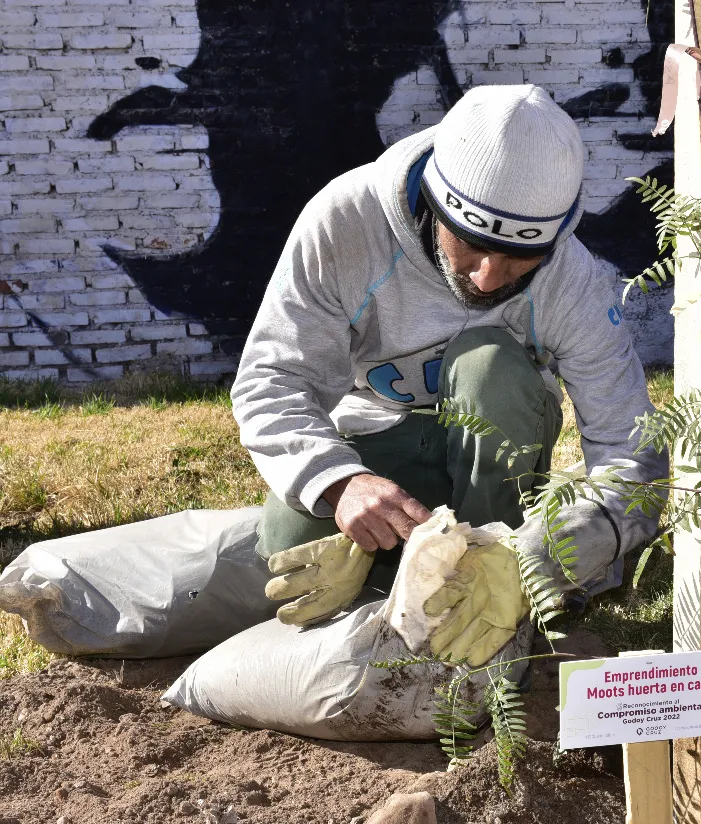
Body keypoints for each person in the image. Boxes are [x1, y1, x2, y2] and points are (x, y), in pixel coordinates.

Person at [232, 84, 665, 661]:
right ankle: (402, 578)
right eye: (471, 243)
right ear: (433, 205)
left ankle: (485, 588)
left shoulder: (574, 280)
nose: (488, 277)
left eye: (521, 257)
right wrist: (338, 482)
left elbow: (633, 457)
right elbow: (272, 380)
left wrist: (532, 562)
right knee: (288, 546)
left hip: (495, 460)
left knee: (489, 365)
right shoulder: (345, 222)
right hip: (376, 444)